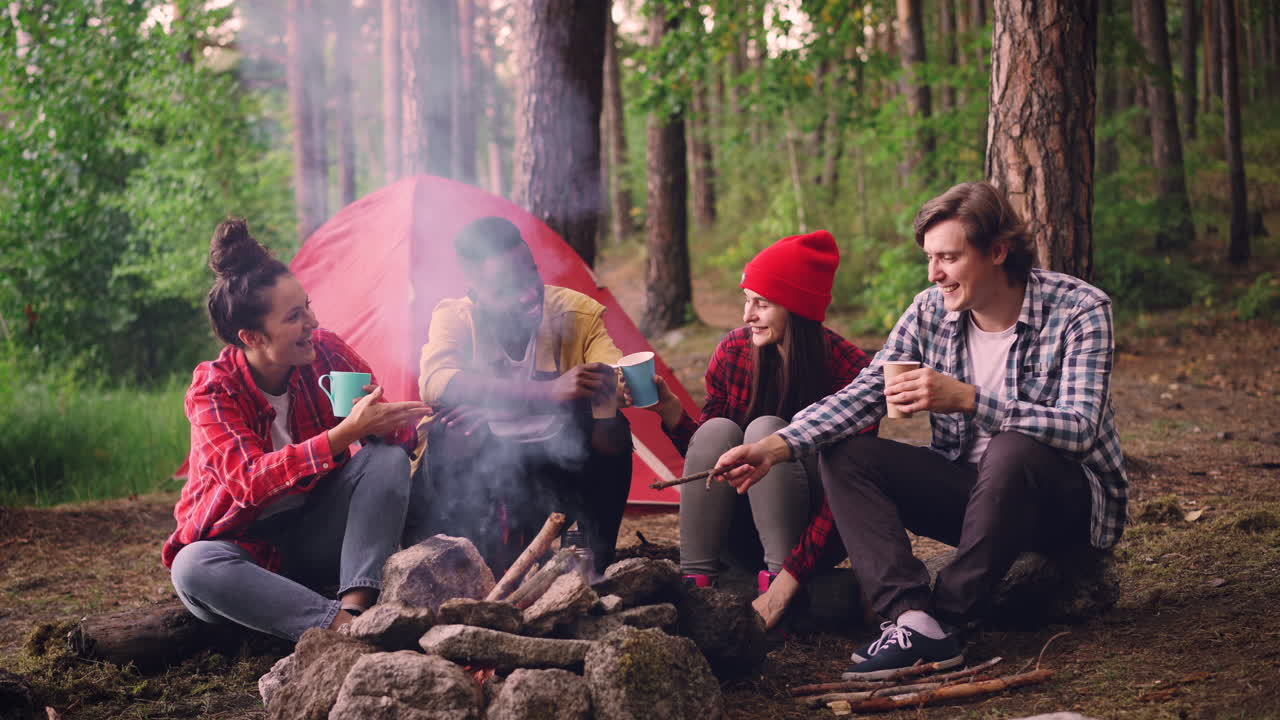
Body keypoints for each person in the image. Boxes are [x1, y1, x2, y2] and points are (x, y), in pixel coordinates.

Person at [716, 182, 1128, 678]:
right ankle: (911, 618)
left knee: (1012, 448)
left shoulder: (1080, 309)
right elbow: (863, 394)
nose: (935, 274)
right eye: (930, 258)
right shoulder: (930, 310)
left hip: (1060, 507)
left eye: (949, 258)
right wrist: (776, 446)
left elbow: (1081, 428)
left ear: (997, 251)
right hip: (975, 501)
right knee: (847, 454)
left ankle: (950, 617)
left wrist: (968, 398)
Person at [164, 218, 432, 642]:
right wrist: (342, 436)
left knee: (384, 461)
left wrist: (393, 426)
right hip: (242, 550)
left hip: (316, 537)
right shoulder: (213, 391)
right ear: (251, 336)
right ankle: (337, 628)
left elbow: (381, 454)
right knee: (192, 567)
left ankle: (356, 607)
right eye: (294, 316)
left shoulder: (325, 352)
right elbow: (250, 482)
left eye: (307, 305)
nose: (312, 321)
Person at [633, 230, 874, 629]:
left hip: (812, 538)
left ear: (797, 308)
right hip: (735, 530)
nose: (747, 316)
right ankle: (696, 582)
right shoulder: (734, 352)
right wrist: (673, 414)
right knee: (716, 431)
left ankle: (780, 587)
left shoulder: (851, 370)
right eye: (747, 302)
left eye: (762, 304)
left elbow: (851, 491)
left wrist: (793, 574)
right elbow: (709, 459)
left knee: (767, 429)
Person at [416, 216, 632, 576]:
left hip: (556, 459)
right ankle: (470, 563)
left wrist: (611, 386)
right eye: (506, 286)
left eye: (530, 272)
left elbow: (619, 375)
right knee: (452, 431)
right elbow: (435, 381)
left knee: (611, 426)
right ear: (476, 288)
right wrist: (549, 392)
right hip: (491, 462)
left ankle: (594, 559)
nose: (529, 293)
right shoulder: (455, 317)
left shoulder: (574, 313)